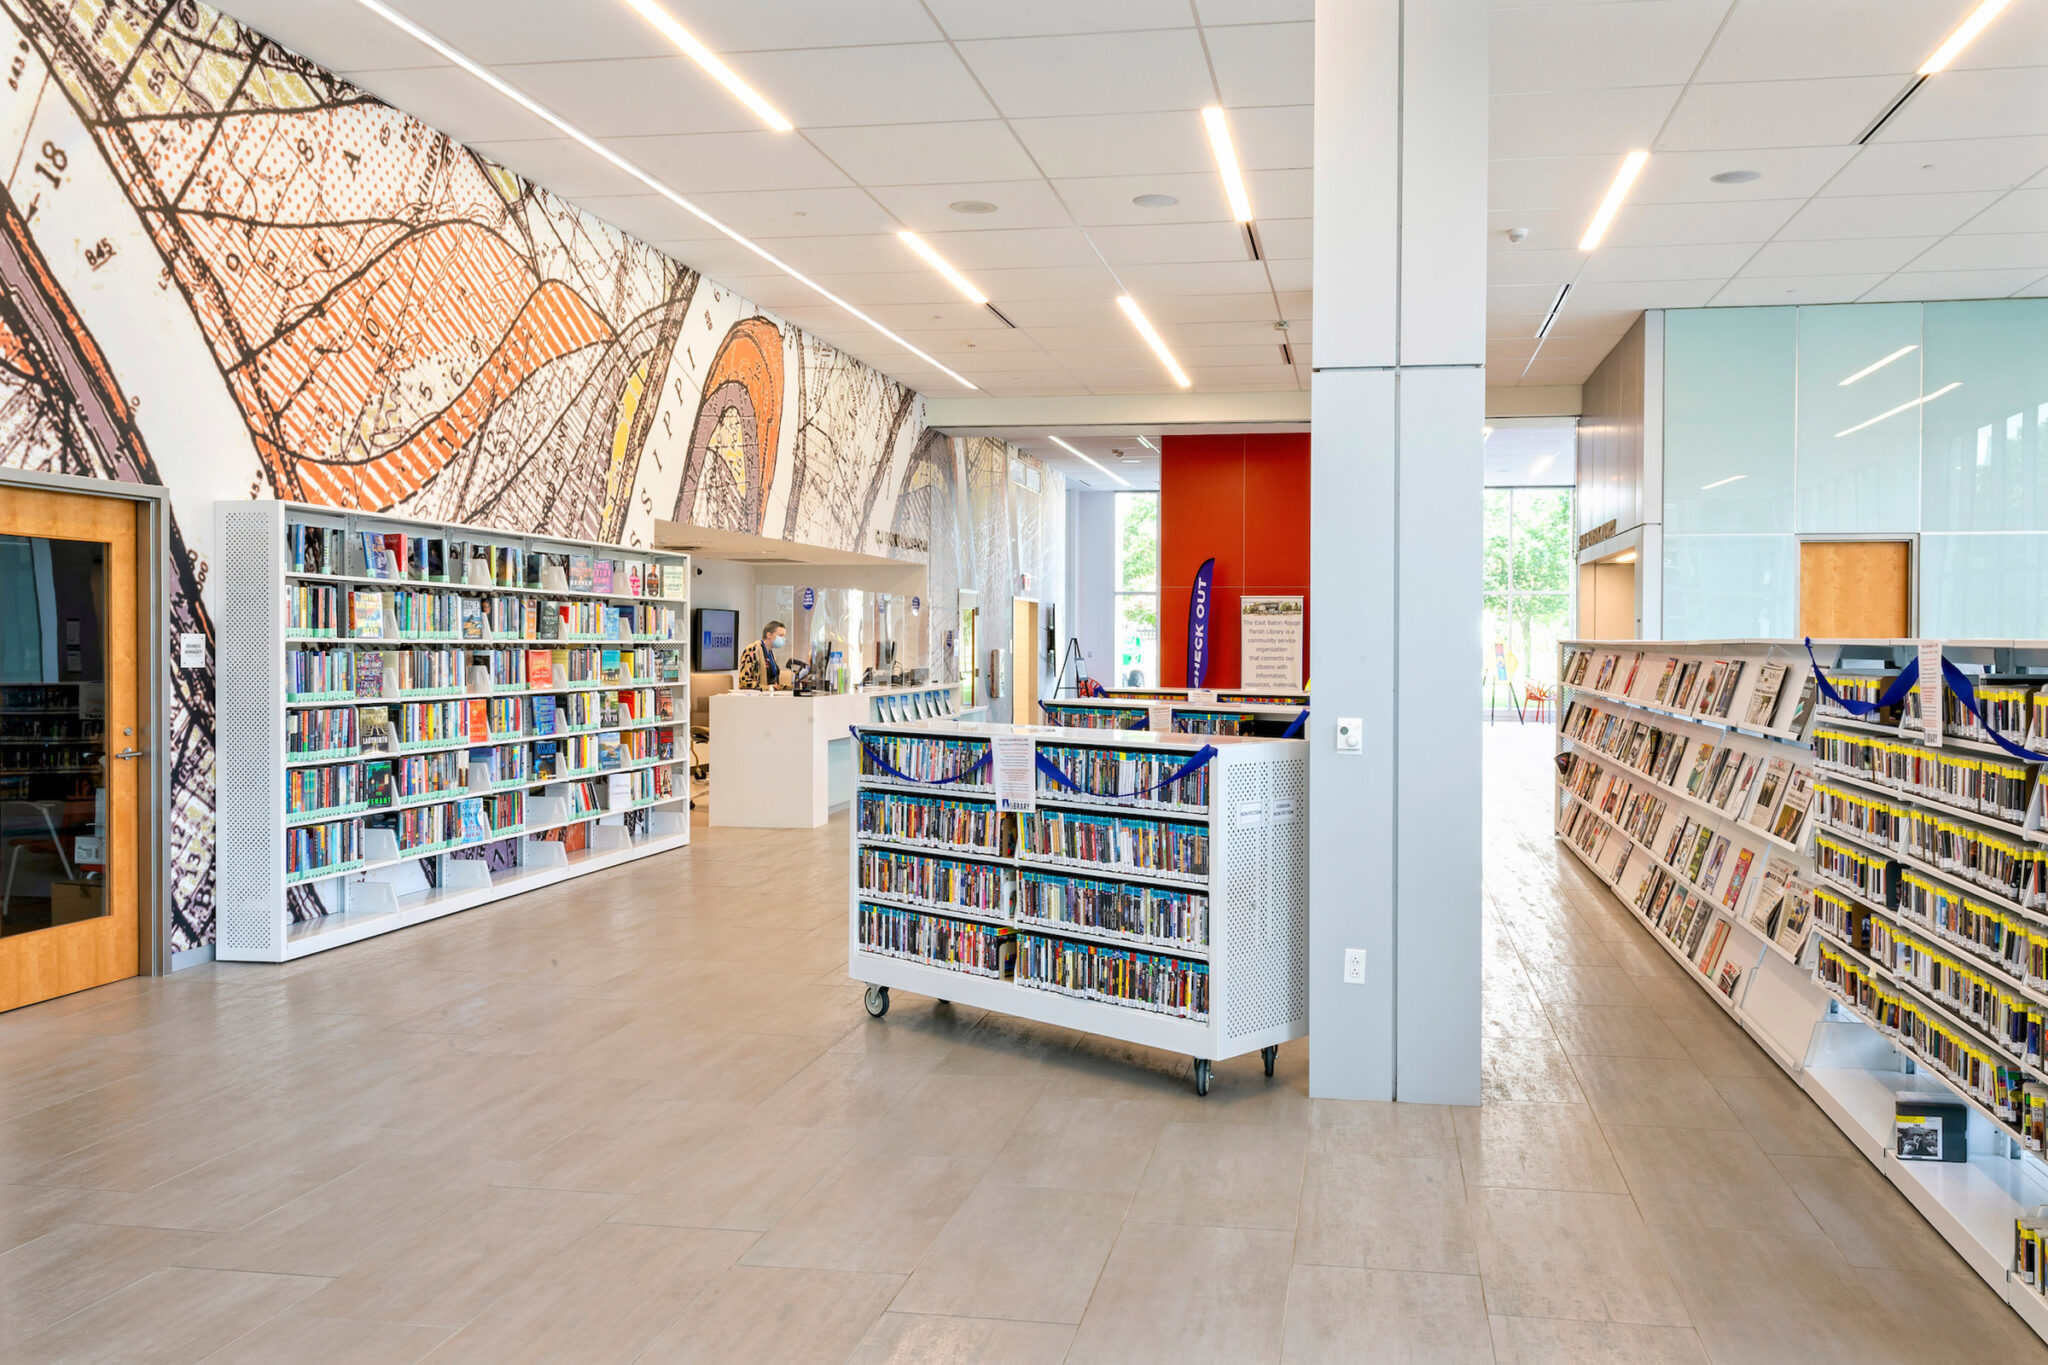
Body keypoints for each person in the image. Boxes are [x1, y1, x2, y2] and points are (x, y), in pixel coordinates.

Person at [737, 621, 789, 691]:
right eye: (780, 635)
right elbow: (743, 681)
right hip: (754, 698)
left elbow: (773, 685)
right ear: (769, 635)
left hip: (768, 696)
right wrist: (767, 688)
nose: (783, 639)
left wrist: (793, 687)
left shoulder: (771, 654)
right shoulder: (752, 649)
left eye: (784, 636)